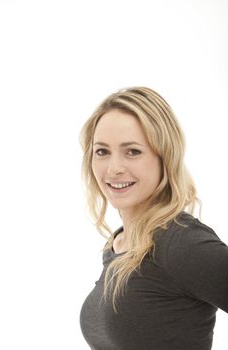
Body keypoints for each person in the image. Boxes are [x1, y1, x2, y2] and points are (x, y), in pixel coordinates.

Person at [79, 87, 228, 350]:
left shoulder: (181, 243)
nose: (113, 168)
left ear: (165, 157)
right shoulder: (119, 244)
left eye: (133, 151)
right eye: (102, 151)